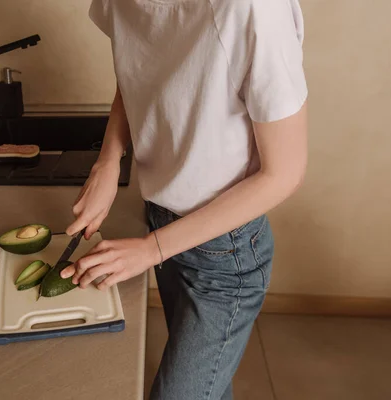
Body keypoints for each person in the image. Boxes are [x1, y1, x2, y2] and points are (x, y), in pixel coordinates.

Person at [60, 1, 308, 399]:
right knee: (209, 383)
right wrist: (108, 161)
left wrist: (151, 249)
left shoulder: (254, 9)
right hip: (162, 223)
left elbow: (284, 173)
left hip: (227, 256)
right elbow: (138, 71)